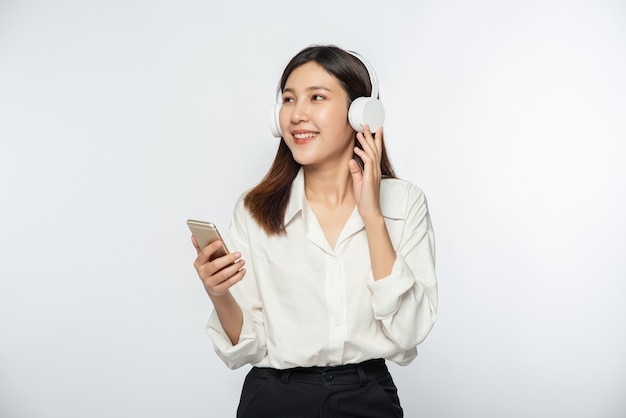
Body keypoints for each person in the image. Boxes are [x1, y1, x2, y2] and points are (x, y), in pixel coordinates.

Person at [191, 44, 437, 418]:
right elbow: (248, 347)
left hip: (367, 396)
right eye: (289, 100)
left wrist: (373, 216)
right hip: (274, 398)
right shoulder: (254, 209)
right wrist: (219, 293)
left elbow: (409, 331)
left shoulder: (404, 204)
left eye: (316, 97)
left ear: (360, 113)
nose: (296, 115)